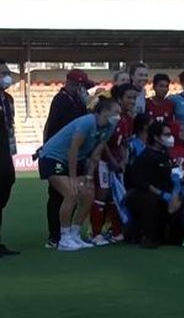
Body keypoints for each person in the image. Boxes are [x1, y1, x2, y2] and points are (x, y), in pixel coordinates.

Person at [38, 98, 120, 251]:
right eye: (116, 112)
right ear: (104, 112)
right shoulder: (86, 123)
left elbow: (96, 153)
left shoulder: (110, 126)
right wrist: (74, 178)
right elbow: (73, 150)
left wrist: (89, 177)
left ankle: (75, 234)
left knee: (89, 193)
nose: (118, 116)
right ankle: (64, 238)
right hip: (52, 157)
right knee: (71, 193)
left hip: (78, 160)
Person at [43, 68, 95, 248]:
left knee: (72, 194)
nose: (84, 91)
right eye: (82, 86)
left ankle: (68, 233)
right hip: (60, 154)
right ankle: (56, 236)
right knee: (60, 195)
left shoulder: (75, 101)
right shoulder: (62, 101)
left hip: (70, 154)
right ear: (75, 84)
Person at [90, 83, 138, 246]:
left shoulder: (129, 119)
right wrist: (111, 160)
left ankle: (116, 232)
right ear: (119, 98)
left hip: (117, 162)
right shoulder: (112, 117)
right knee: (101, 195)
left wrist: (123, 160)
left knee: (116, 197)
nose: (132, 101)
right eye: (129, 97)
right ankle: (95, 233)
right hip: (103, 161)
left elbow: (124, 142)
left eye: (134, 98)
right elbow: (102, 142)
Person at [124, 121, 176, 248]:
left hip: (164, 192)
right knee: (149, 200)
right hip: (144, 194)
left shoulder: (165, 156)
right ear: (156, 137)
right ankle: (146, 236)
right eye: (166, 135)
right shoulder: (146, 156)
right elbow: (141, 182)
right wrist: (161, 194)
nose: (170, 138)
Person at [0, 61, 18, 257]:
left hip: (6, 151)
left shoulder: (8, 99)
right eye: (3, 73)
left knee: (6, 185)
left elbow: (10, 126)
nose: (7, 76)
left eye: (7, 72)